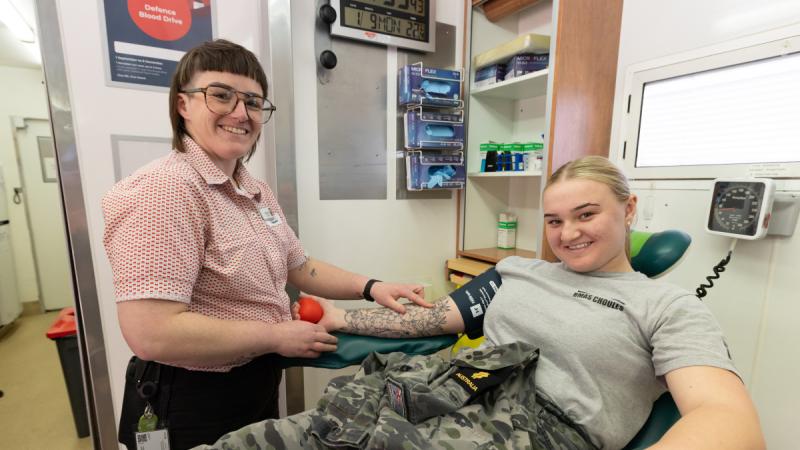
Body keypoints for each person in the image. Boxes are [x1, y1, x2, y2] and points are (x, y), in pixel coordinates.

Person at [197, 155, 765, 450]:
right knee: (273, 438)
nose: (568, 234)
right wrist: (334, 315)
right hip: (442, 389)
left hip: (539, 430)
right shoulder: (518, 269)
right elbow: (436, 317)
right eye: (555, 220)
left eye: (586, 214)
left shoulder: (665, 307)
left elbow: (728, 422)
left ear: (629, 209)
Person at [102, 39, 432, 450]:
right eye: (221, 96)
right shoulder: (165, 190)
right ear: (183, 105)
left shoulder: (252, 189)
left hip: (254, 380)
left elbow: (300, 266)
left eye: (254, 103)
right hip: (191, 397)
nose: (240, 114)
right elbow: (152, 332)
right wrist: (276, 336)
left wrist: (373, 287)